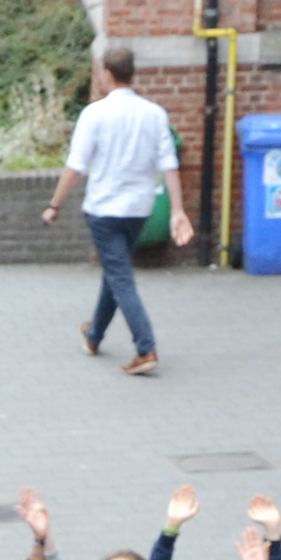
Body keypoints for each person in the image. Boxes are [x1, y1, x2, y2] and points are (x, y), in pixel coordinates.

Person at [43, 45, 189, 373]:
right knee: (116, 270)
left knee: (120, 275)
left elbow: (75, 166)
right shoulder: (155, 114)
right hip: (140, 208)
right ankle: (94, 335)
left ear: (107, 74)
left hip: (104, 209)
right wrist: (177, 210)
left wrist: (55, 204)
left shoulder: (94, 114)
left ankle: (146, 347)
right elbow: (169, 165)